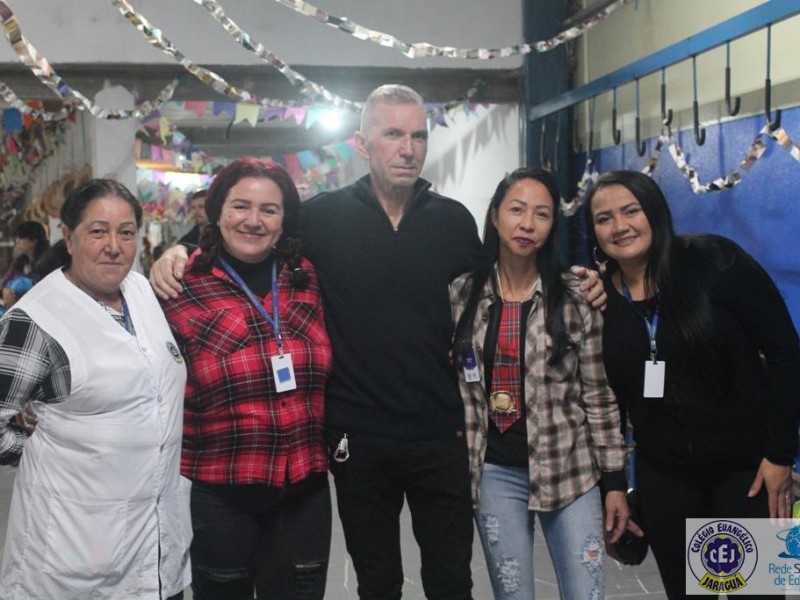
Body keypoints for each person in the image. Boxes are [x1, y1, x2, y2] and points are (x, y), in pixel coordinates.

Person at [150, 84, 607, 600]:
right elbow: (252, 233)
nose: (407, 149)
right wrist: (178, 252)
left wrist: (581, 280)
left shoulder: (453, 221)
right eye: (392, 134)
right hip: (356, 438)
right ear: (363, 144)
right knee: (378, 582)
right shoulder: (321, 217)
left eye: (418, 136)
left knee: (451, 582)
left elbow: (505, 277)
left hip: (442, 433)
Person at [585, 170, 800, 599]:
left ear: (655, 212)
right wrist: (615, 486)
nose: (620, 226)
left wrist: (780, 455)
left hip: (746, 473)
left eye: (631, 211)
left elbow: (784, 353)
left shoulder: (714, 261)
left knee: (757, 593)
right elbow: (604, 399)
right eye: (604, 218)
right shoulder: (599, 299)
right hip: (665, 480)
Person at [0, 179, 190, 599]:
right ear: (69, 238)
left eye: (126, 233)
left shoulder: (143, 293)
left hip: (158, 551)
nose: (114, 247)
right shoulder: (35, 320)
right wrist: (39, 451)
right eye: (98, 232)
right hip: (72, 557)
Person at [450, 167, 631, 599]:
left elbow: (599, 395)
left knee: (586, 593)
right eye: (517, 210)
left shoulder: (576, 295)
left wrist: (614, 482)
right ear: (496, 216)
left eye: (542, 214)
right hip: (494, 473)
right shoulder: (462, 294)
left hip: (570, 470)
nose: (527, 224)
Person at [160, 157, 333, 599]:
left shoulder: (307, 275)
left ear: (284, 219)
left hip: (303, 490)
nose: (253, 221)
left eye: (268, 210)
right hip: (220, 492)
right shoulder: (179, 285)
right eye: (240, 206)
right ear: (217, 212)